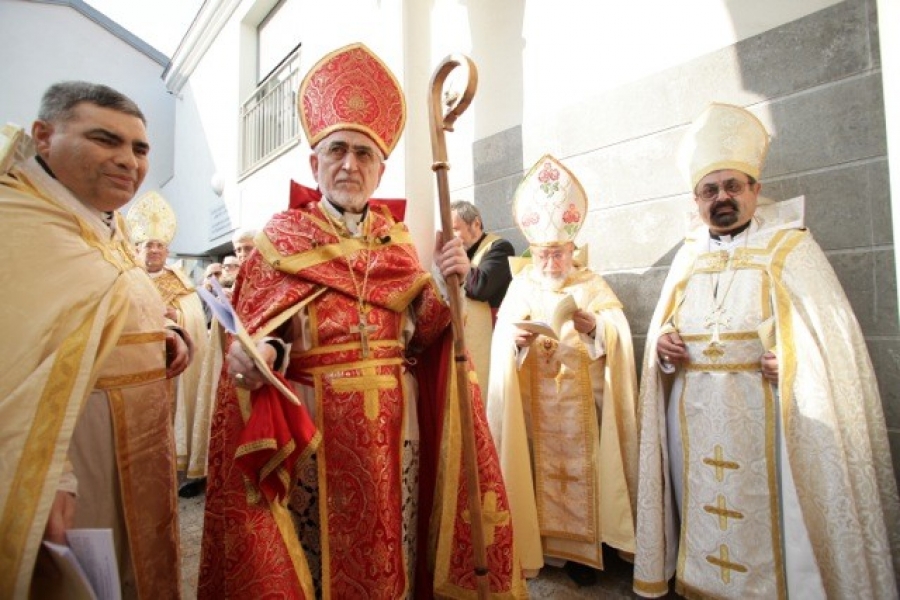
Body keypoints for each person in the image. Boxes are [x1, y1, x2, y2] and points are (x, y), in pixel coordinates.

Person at [199, 43, 527, 599]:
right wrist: (259, 358)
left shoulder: (396, 242)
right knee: (316, 556)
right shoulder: (280, 240)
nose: (349, 165)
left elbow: (422, 340)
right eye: (337, 151)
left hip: (396, 430)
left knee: (390, 544)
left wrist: (449, 290)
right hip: (316, 427)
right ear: (314, 162)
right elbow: (265, 336)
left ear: (379, 168)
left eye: (364, 154)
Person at [633, 103, 900, 599]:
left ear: (755, 189)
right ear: (696, 200)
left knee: (774, 525)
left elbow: (828, 342)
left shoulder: (790, 248)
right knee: (703, 510)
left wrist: (798, 366)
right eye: (711, 190)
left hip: (769, 418)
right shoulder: (688, 259)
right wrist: (664, 349)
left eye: (734, 186)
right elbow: (668, 333)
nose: (723, 198)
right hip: (694, 419)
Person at [0, 81, 190, 598]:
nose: (128, 160)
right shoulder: (15, 224)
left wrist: (164, 334)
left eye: (140, 148)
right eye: (105, 140)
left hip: (141, 447)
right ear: (44, 136)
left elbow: (111, 304)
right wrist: (49, 479)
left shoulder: (107, 224)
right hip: (76, 453)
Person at [487, 154, 639, 586]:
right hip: (536, 408)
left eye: (559, 252)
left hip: (583, 409)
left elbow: (619, 335)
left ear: (574, 249)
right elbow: (502, 340)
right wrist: (513, 344)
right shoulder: (522, 284)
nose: (551, 261)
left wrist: (598, 329)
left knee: (583, 471)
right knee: (535, 472)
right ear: (532, 252)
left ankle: (584, 554)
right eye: (543, 253)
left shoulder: (592, 284)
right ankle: (541, 548)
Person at [129, 192, 209, 496]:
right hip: (137, 363)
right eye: (149, 245)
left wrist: (178, 316)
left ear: (168, 250)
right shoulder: (128, 278)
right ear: (137, 249)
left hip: (172, 367)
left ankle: (174, 472)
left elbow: (196, 321)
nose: (154, 251)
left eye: (160, 245)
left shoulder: (181, 283)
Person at [450, 199, 515, 391]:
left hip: (492, 338)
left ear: (476, 224)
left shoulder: (500, 248)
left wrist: (459, 265)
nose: (451, 238)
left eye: (455, 229)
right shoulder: (464, 251)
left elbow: (481, 288)